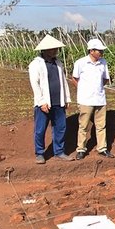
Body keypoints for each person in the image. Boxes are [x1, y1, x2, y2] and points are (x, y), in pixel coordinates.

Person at [28, 34, 74, 164]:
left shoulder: (58, 63)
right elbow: (35, 84)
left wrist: (66, 98)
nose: (55, 51)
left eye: (56, 48)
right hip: (44, 103)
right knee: (40, 129)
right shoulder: (36, 64)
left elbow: (63, 81)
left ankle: (59, 151)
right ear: (45, 50)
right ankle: (40, 153)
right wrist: (42, 101)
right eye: (53, 49)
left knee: (60, 127)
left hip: (58, 101)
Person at [71, 38, 114, 160]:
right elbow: (74, 78)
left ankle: (102, 148)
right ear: (91, 51)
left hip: (100, 99)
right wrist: (83, 89)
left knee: (101, 125)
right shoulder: (81, 63)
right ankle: (81, 149)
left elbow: (105, 79)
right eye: (99, 50)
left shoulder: (103, 62)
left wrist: (98, 88)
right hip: (85, 100)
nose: (101, 53)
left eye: (101, 50)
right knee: (83, 126)